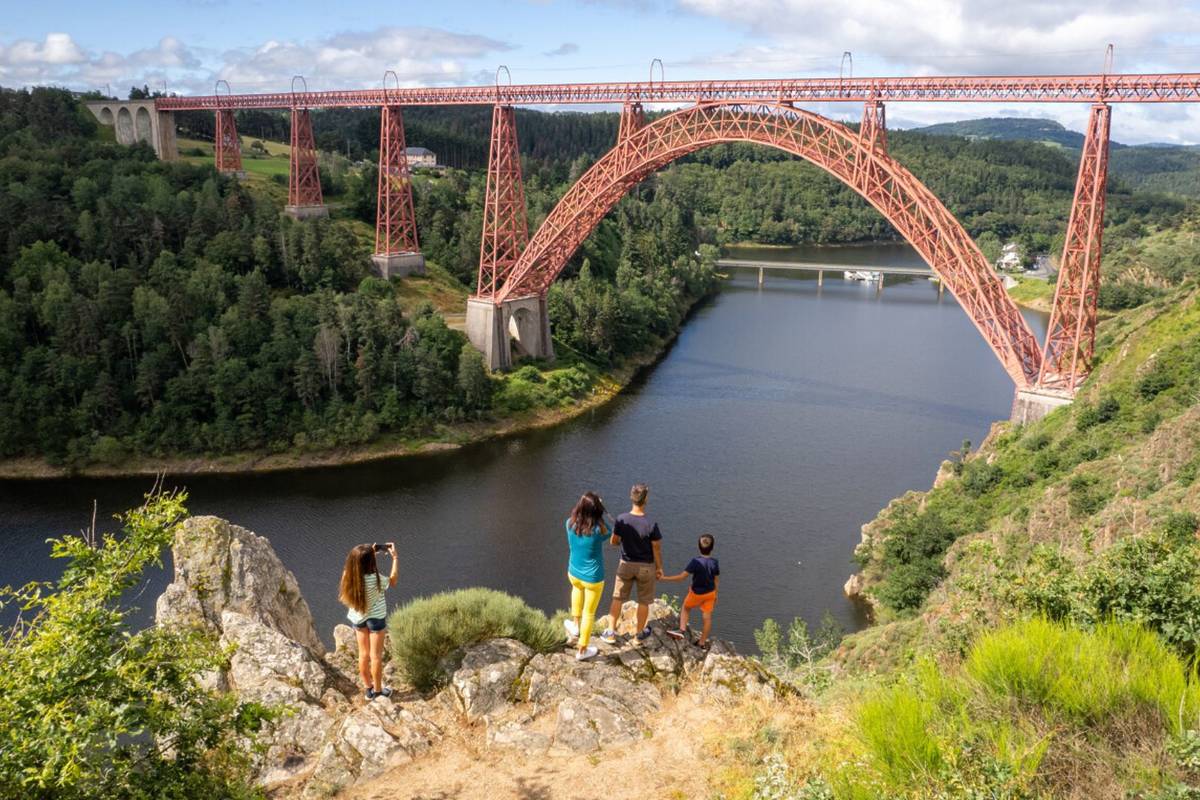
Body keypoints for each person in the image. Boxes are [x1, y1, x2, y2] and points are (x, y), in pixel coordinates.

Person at [600, 483, 663, 645]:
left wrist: (622, 538)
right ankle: (638, 635)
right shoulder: (651, 523)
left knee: (617, 598)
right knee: (643, 601)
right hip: (646, 567)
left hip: (626, 565)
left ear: (631, 497)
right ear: (646, 499)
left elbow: (614, 542)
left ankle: (610, 633)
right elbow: (656, 548)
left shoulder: (621, 519)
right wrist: (659, 568)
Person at [338, 542, 398, 699]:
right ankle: (378, 692)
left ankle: (368, 689)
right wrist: (395, 558)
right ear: (370, 562)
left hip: (358, 618)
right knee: (375, 656)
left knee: (363, 654)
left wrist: (370, 553)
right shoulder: (376, 579)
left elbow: (356, 565)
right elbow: (393, 581)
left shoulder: (348, 576)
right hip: (376, 619)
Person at [564, 491, 609, 661]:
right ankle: (582, 650)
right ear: (596, 511)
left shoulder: (569, 524)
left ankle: (575, 626)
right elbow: (610, 533)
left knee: (576, 590)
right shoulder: (598, 530)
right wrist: (600, 512)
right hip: (593, 579)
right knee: (589, 613)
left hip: (574, 572)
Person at [663, 534, 720, 648]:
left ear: (698, 547)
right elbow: (716, 580)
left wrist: (664, 578)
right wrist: (716, 595)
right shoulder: (715, 562)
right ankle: (702, 643)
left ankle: (681, 630)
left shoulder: (695, 562)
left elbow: (681, 577)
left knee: (686, 607)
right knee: (707, 618)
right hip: (710, 593)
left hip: (696, 594)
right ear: (712, 548)